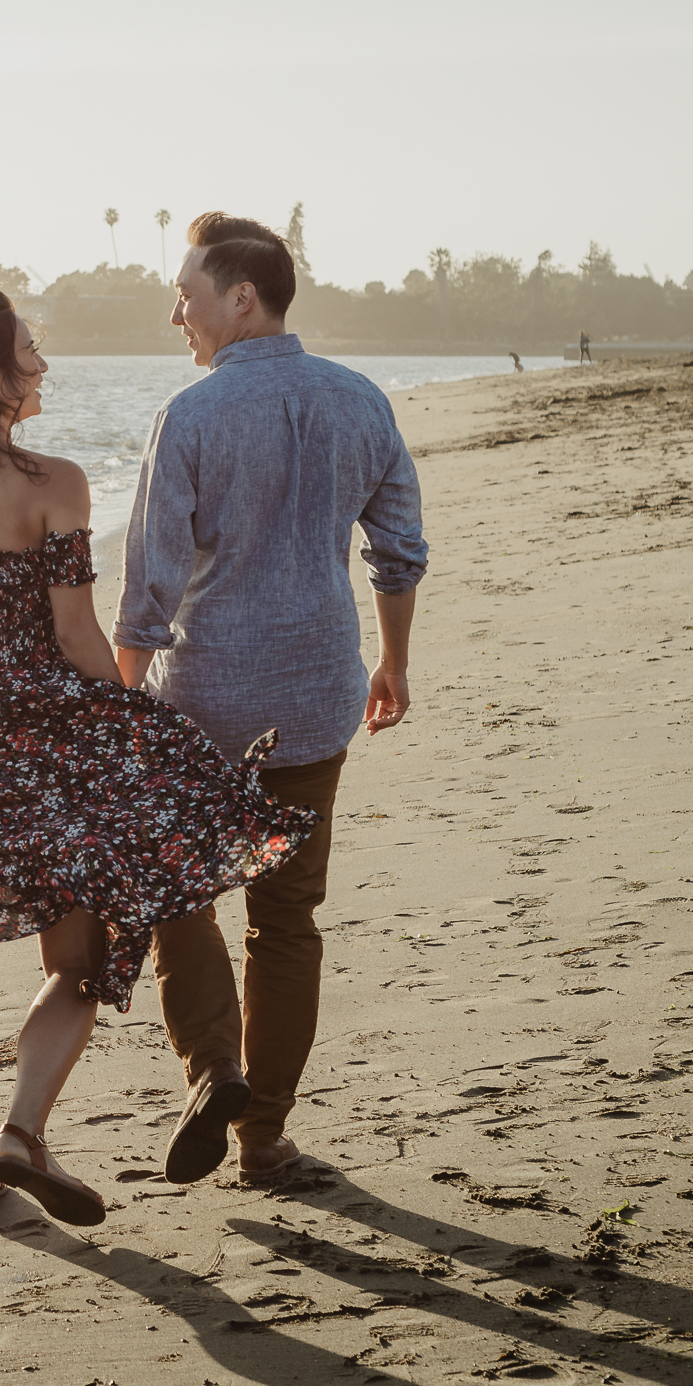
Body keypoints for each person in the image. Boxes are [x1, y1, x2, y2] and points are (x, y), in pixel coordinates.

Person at [0, 284, 318, 1227]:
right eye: (31, 351)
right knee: (80, 957)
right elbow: (73, 634)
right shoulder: (55, 483)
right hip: (43, 737)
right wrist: (132, 724)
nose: (43, 365)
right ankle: (24, 1128)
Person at [115, 214, 427, 1190]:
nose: (177, 313)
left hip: (203, 694)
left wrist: (123, 709)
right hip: (315, 687)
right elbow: (398, 547)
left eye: (187, 294)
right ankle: (264, 1142)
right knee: (285, 920)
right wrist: (393, 661)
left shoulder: (192, 416)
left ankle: (214, 1071)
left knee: (177, 895)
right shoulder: (357, 400)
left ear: (240, 296)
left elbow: (150, 584)